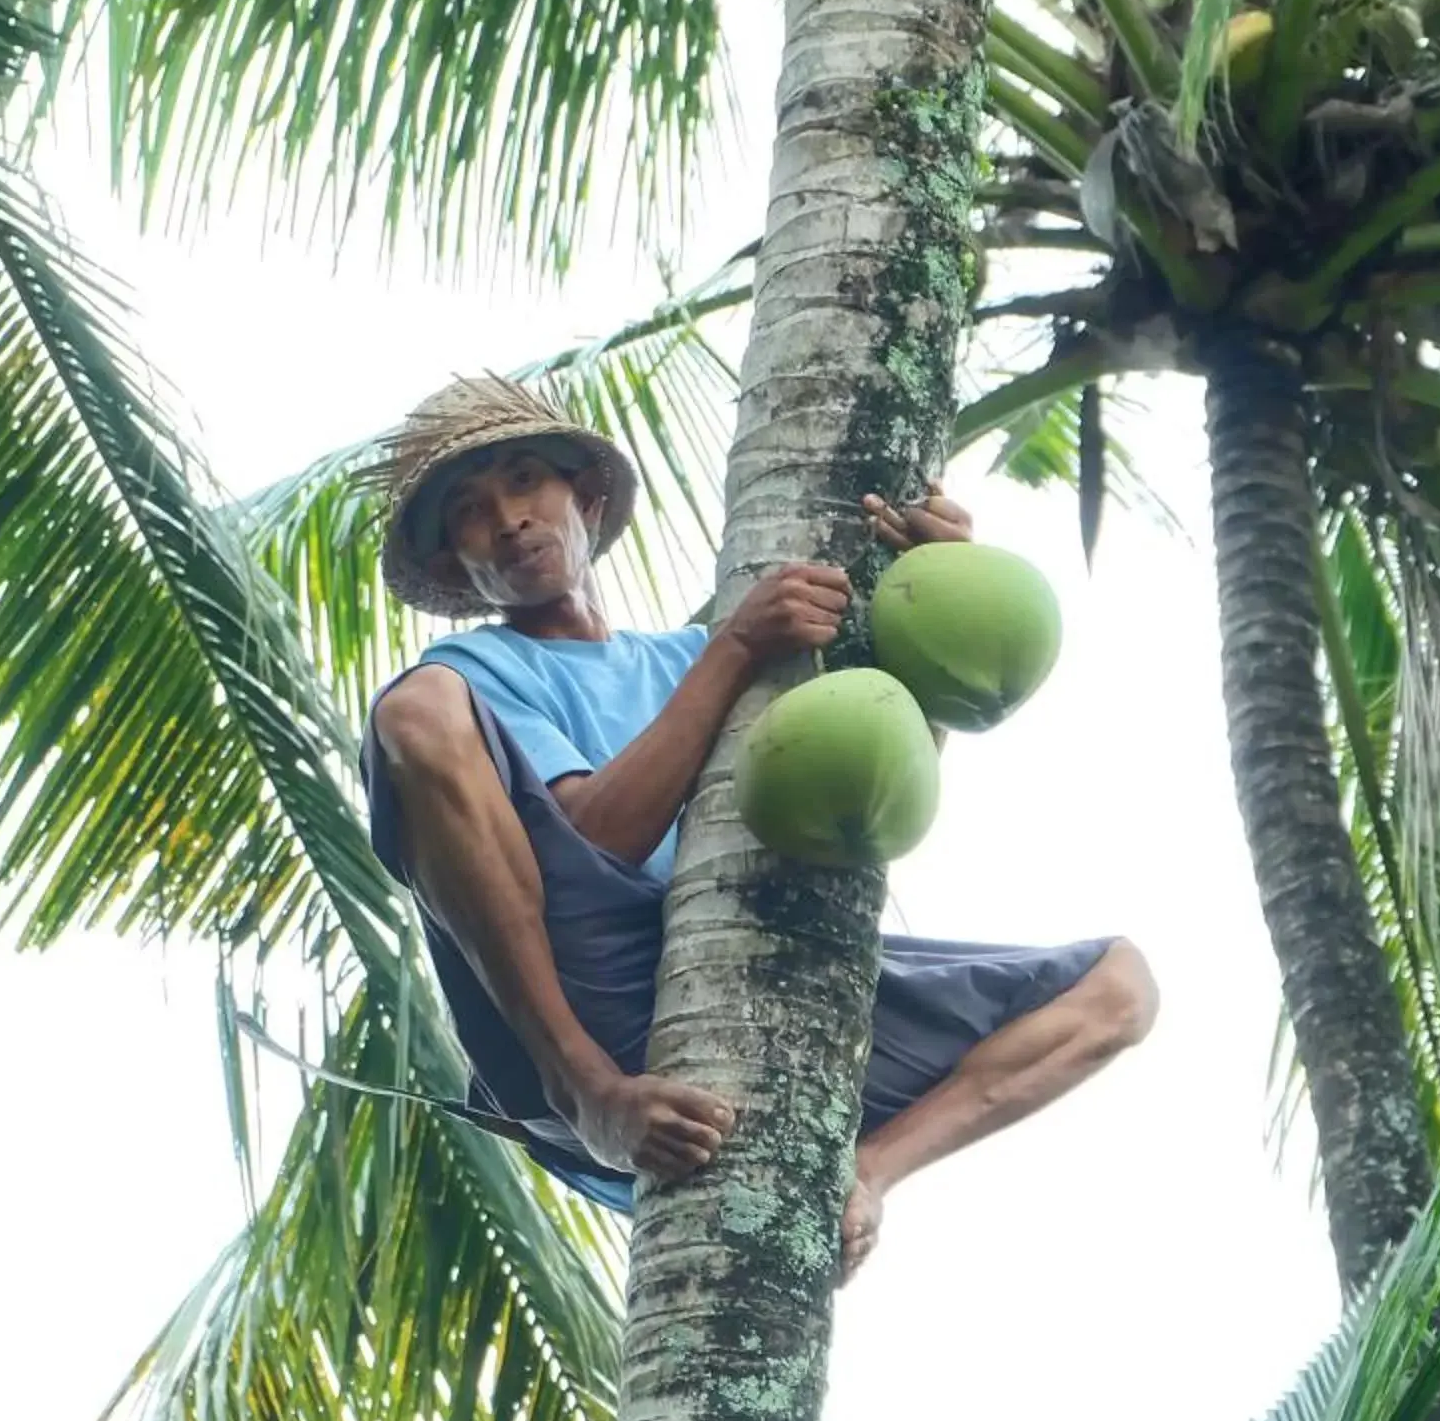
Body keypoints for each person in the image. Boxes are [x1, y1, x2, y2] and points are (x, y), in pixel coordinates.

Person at [360, 375, 1156, 1277]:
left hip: (732, 959)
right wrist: (737, 648)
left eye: (524, 481)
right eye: (470, 511)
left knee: (1120, 990)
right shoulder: (478, 667)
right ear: (458, 563)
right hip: (579, 977)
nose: (506, 518)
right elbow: (598, 837)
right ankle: (584, 1090)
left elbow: (873, 779)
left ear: (583, 499)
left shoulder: (686, 658)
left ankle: (866, 1172)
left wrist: (940, 591)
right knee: (412, 711)